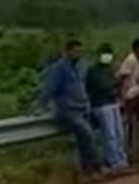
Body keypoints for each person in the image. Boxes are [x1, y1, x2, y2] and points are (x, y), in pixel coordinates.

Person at [39, 39, 103, 176]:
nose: (78, 54)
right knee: (87, 133)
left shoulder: (81, 67)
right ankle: (96, 165)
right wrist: (40, 106)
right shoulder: (59, 69)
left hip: (82, 107)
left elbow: (83, 87)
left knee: (88, 137)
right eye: (75, 51)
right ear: (67, 51)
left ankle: (88, 169)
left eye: (80, 51)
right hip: (68, 109)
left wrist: (87, 103)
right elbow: (49, 89)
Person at [86, 43, 130, 173]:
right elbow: (103, 86)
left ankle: (122, 159)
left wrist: (115, 87)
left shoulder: (109, 70)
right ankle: (113, 161)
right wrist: (114, 85)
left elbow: (114, 85)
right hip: (101, 104)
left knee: (119, 133)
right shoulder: (93, 71)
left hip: (112, 103)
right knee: (109, 134)